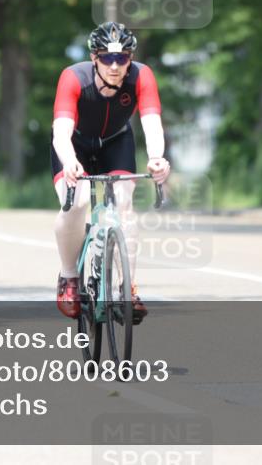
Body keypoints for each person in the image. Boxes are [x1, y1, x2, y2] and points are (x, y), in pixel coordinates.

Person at [51, 21, 171, 322]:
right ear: (94, 58)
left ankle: (126, 289)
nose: (115, 66)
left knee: (125, 204)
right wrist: (69, 160)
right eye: (107, 58)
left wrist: (157, 158)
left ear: (130, 59)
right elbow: (61, 132)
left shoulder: (142, 76)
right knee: (76, 202)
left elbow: (152, 122)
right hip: (75, 144)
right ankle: (69, 277)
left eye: (122, 58)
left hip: (116, 142)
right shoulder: (73, 77)